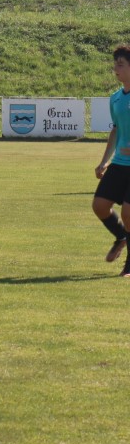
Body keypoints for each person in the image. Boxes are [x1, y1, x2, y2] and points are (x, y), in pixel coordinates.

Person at [93, 44, 130, 275]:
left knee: (128, 213)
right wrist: (104, 160)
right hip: (120, 163)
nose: (115, 68)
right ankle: (120, 236)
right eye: (115, 63)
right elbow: (116, 130)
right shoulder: (115, 98)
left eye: (121, 64)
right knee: (99, 206)